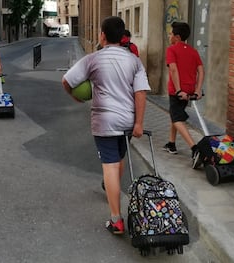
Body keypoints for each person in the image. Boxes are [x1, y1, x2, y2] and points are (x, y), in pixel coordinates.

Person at [62, 16, 150, 235]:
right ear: (122, 37)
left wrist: (76, 98)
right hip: (128, 120)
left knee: (109, 165)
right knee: (119, 159)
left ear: (102, 35)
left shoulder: (93, 59)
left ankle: (116, 219)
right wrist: (139, 123)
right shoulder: (134, 61)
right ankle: (112, 189)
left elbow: (67, 80)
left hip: (105, 120)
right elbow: (140, 93)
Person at [162, 21, 204, 167]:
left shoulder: (171, 50)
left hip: (177, 91)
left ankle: (194, 148)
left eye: (171, 33)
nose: (169, 35)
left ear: (177, 37)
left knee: (177, 118)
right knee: (175, 115)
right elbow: (201, 70)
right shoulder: (193, 51)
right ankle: (171, 144)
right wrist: (198, 90)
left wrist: (179, 90)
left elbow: (173, 70)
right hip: (190, 90)